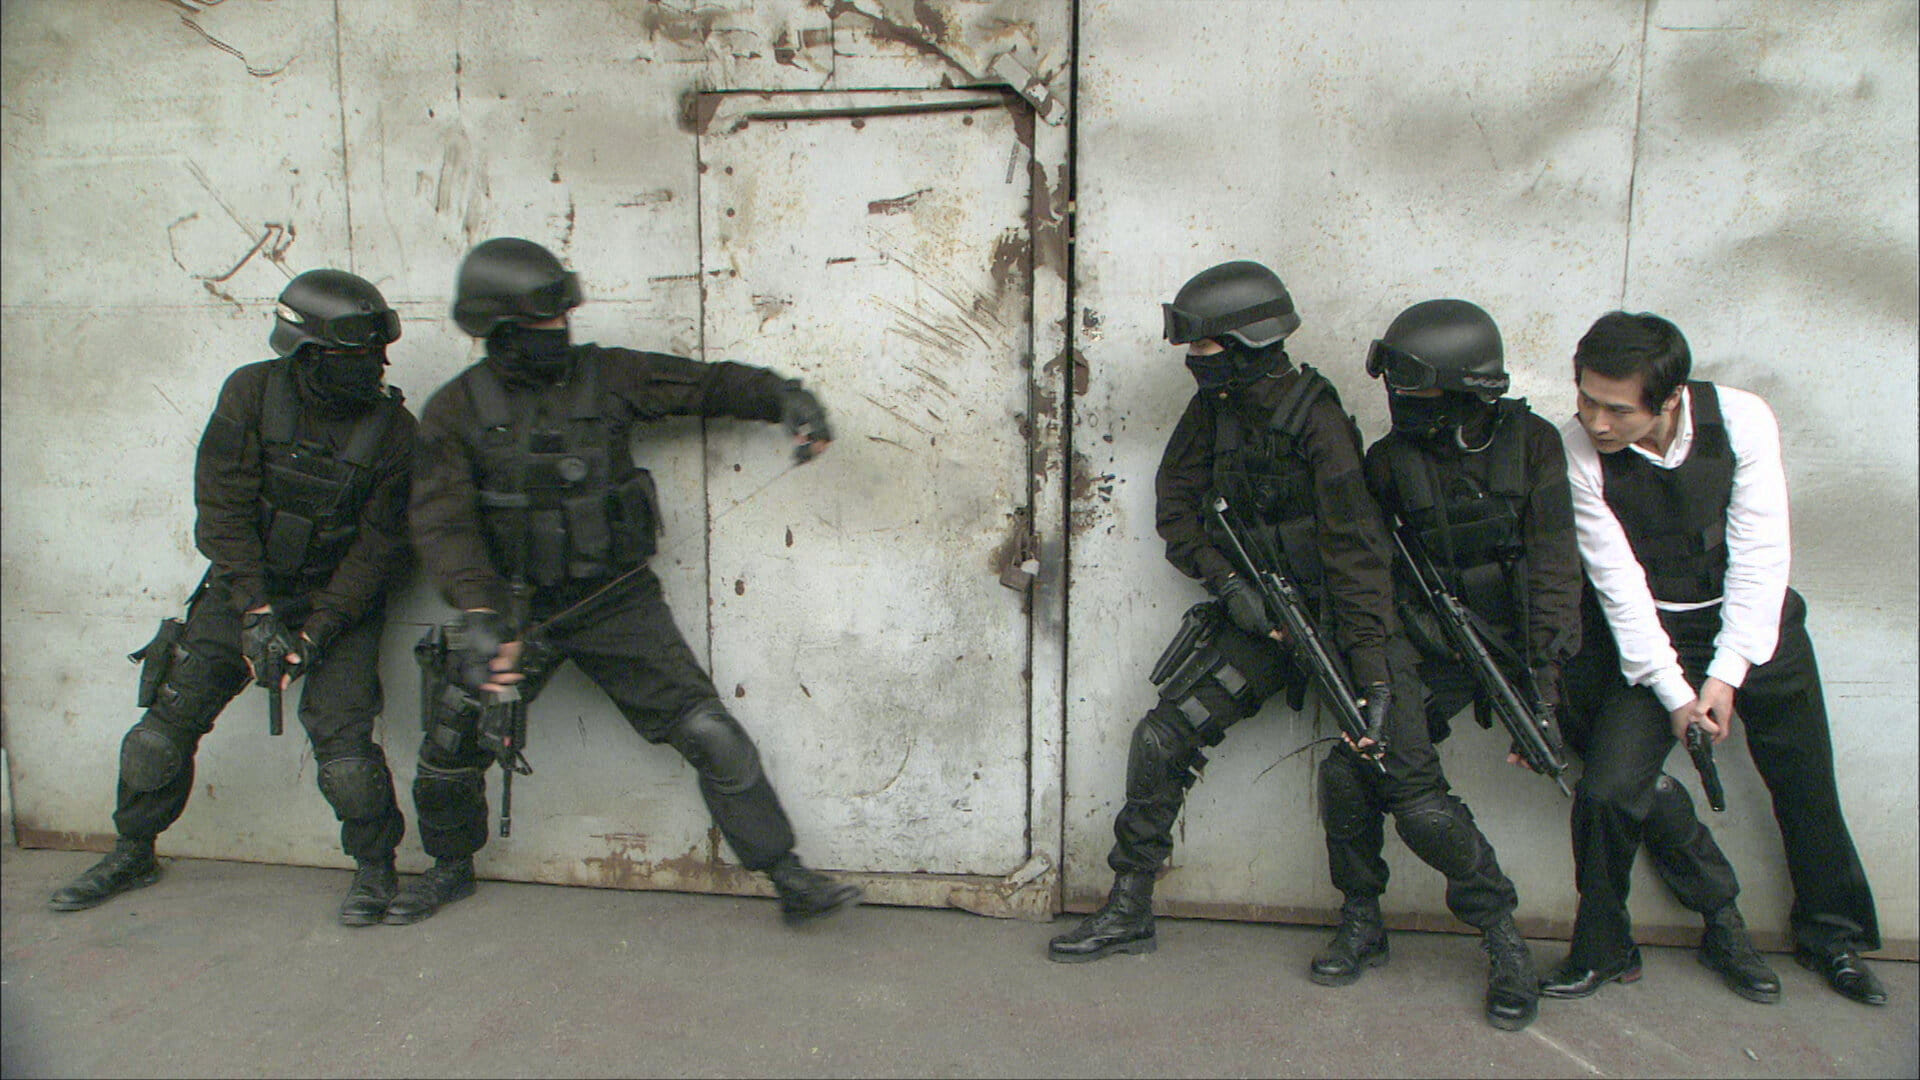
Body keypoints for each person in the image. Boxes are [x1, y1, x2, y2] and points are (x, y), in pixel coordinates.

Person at [1045, 263, 1538, 1032]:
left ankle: (1503, 938)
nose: (1194, 361)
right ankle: (1129, 905)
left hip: (1348, 626)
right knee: (1163, 736)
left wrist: (1373, 674)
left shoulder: (1318, 422)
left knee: (1411, 797)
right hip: (1266, 618)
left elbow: (1358, 557)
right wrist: (1230, 586)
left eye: (1206, 347)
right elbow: (1177, 509)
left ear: (1247, 345)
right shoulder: (1214, 411)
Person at [387, 237, 862, 928]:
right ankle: (449, 868)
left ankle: (787, 875)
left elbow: (703, 386)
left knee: (710, 734)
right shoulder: (455, 409)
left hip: (612, 600)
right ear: (500, 329)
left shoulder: (606, 375)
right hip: (512, 609)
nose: (559, 332)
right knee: (452, 742)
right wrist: (480, 612)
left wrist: (785, 398)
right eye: (543, 323)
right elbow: (442, 521)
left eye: (562, 319)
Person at [49, 269, 416, 927]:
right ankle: (133, 851)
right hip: (245, 589)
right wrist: (255, 611)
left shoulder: (395, 432)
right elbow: (221, 509)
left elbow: (377, 553)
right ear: (306, 351)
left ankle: (375, 867)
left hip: (338, 604)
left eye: (376, 351)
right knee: (160, 732)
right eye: (354, 354)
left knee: (346, 755)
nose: (374, 365)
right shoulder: (251, 393)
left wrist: (317, 632)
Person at [1545, 310, 1886, 1007]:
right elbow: (1617, 585)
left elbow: (1762, 555)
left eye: (1617, 409)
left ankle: (1832, 935)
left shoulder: (1743, 419)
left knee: (1805, 781)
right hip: (1653, 639)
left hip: (1756, 626)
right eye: (1586, 399)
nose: (1596, 422)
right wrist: (1677, 695)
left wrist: (1726, 676)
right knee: (1606, 792)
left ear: (1670, 398)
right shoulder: (1575, 449)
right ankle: (1603, 947)